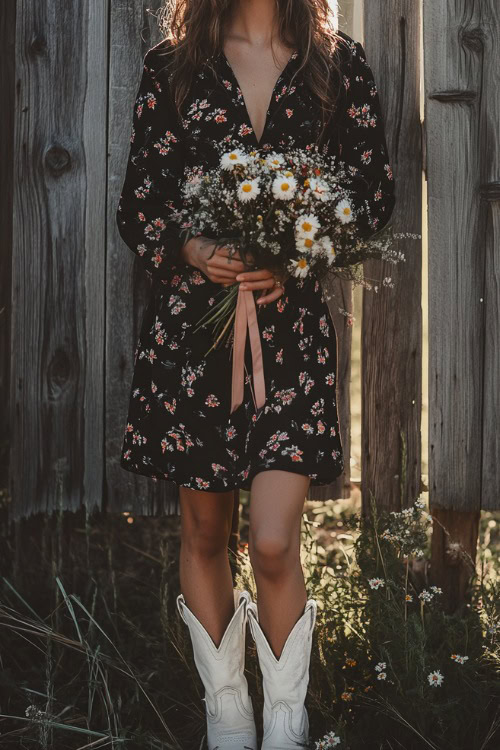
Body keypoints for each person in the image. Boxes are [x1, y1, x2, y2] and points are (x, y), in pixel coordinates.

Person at [116, 1, 396, 747]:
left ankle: (286, 722)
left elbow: (370, 198)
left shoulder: (339, 66)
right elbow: (141, 201)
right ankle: (229, 716)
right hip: (193, 343)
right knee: (204, 532)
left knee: (272, 541)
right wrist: (191, 248)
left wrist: (298, 253)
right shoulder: (171, 69)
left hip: (293, 339)